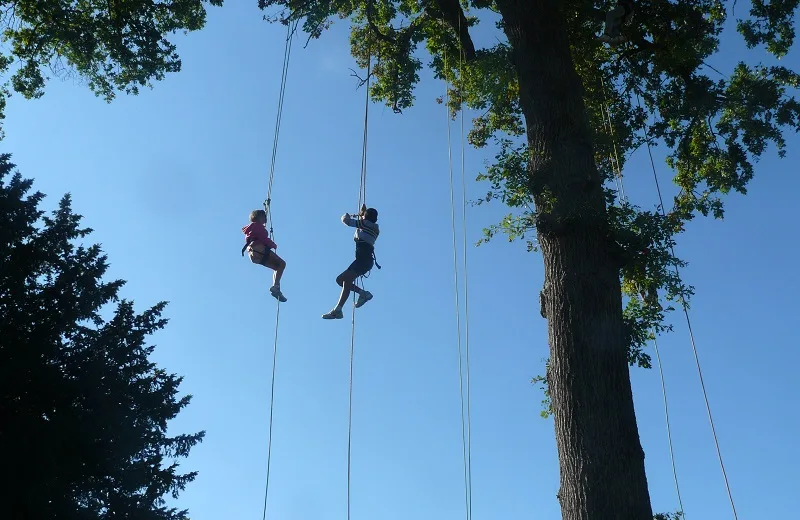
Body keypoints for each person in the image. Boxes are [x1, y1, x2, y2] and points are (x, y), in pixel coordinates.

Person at [322, 205, 380, 320]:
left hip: (363, 260)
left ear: (366, 217)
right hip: (364, 260)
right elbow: (361, 230)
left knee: (346, 280)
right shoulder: (374, 228)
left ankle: (338, 309)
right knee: (340, 280)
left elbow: (346, 221)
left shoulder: (365, 224)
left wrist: (350, 214)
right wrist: (362, 215)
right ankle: (363, 293)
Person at [242, 209, 287, 302]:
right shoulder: (257, 226)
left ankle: (276, 288)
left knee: (277, 267)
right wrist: (273, 245)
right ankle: (275, 286)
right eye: (264, 217)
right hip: (259, 249)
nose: (266, 218)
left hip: (253, 255)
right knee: (282, 264)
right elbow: (264, 239)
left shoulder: (251, 228)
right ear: (258, 218)